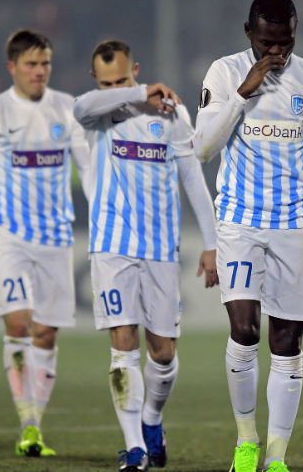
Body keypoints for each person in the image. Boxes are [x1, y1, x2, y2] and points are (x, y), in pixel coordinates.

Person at [194, 0, 303, 472]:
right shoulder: (224, 74)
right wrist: (245, 91)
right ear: (249, 34)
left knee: (287, 345)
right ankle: (246, 441)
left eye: (286, 42)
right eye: (268, 43)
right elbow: (203, 148)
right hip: (240, 223)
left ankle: (276, 457)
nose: (278, 53)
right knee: (244, 332)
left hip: (292, 227)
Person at [73, 40, 219, 472]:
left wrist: (211, 244)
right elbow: (81, 106)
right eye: (107, 83)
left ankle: (152, 420)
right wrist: (137, 93)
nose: (115, 87)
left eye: (123, 79)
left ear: (135, 67)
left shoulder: (170, 114)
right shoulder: (99, 114)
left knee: (164, 352)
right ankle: (134, 447)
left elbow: (192, 178)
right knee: (123, 346)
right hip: (111, 245)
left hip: (159, 248)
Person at [0, 29, 91, 457]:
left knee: (47, 335)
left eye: (46, 64)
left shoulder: (66, 108)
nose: (40, 72)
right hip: (9, 238)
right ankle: (29, 424)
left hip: (56, 238)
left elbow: (87, 170)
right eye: (32, 64)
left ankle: (36, 420)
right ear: (12, 67)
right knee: (19, 324)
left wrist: (104, 220)